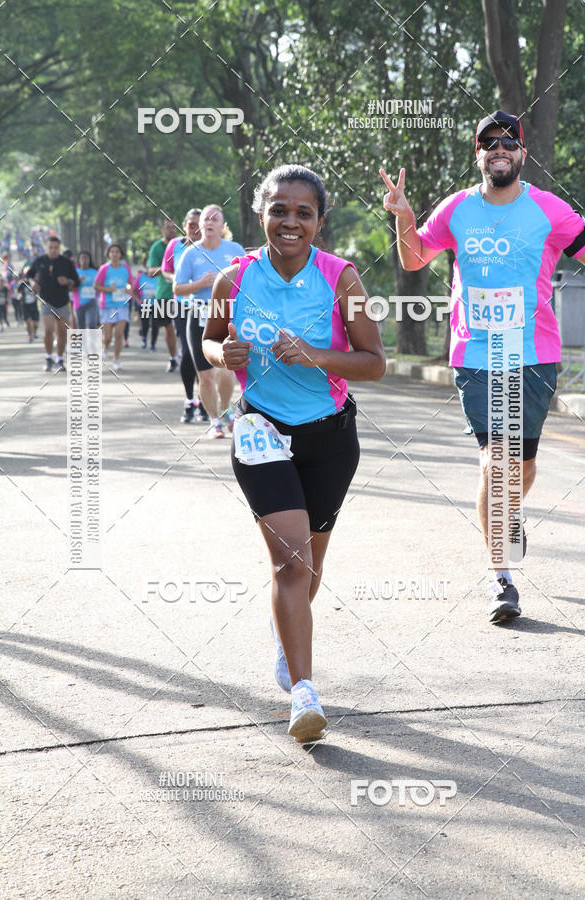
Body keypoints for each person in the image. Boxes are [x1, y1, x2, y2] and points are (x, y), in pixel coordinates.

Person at [381, 110, 585, 624]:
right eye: (488, 142)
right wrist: (402, 214)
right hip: (477, 354)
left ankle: (508, 517)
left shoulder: (549, 210)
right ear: (477, 153)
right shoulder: (456, 209)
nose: (499, 149)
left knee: (520, 467)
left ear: (522, 153)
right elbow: (414, 258)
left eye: (508, 141)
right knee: (495, 463)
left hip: (534, 354)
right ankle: (502, 575)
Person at [203, 165, 386, 743]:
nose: (290, 221)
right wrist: (220, 353)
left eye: (303, 212)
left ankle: (289, 639)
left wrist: (314, 354)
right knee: (293, 563)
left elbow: (374, 363)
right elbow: (208, 339)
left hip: (330, 436)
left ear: (319, 222)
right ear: (261, 214)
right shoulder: (233, 279)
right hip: (259, 431)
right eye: (279, 209)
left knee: (313, 561)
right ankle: (304, 695)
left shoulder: (342, 279)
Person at [175, 205, 245, 437]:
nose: (210, 222)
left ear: (221, 225)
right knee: (205, 376)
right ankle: (214, 420)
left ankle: (225, 410)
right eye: (206, 218)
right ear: (201, 224)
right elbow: (177, 288)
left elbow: (249, 280)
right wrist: (200, 284)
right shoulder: (191, 253)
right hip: (198, 314)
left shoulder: (234, 250)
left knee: (226, 370)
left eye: (216, 219)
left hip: (227, 314)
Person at [162, 208, 209, 424]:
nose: (196, 229)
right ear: (185, 226)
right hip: (181, 304)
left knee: (205, 354)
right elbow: (166, 269)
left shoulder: (210, 246)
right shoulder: (175, 246)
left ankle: (205, 401)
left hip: (205, 306)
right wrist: (178, 279)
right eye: (191, 225)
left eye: (200, 225)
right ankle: (190, 400)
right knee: (189, 352)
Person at [26, 235, 79, 372]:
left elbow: (76, 281)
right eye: (51, 248)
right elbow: (29, 275)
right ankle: (49, 357)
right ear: (46, 248)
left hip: (62, 302)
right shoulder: (40, 261)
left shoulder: (66, 262)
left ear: (59, 248)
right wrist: (33, 283)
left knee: (62, 332)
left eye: (56, 248)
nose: (53, 250)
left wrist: (67, 281)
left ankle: (60, 359)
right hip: (46, 301)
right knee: (48, 329)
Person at [146, 218, 179, 370]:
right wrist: (166, 268)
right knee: (169, 327)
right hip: (164, 294)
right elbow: (151, 271)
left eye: (173, 228)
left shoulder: (182, 244)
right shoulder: (157, 247)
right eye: (168, 228)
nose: (171, 230)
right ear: (162, 230)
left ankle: (184, 354)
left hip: (183, 294)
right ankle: (173, 357)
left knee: (181, 328)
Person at [94, 244, 132, 370]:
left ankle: (116, 359)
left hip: (122, 305)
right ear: (108, 254)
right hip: (107, 305)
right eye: (112, 252)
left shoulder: (126, 268)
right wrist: (108, 289)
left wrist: (128, 288)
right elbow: (96, 286)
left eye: (117, 252)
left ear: (121, 254)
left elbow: (130, 284)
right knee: (108, 336)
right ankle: (105, 347)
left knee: (119, 334)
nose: (114, 254)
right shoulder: (104, 269)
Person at [74, 251, 100, 329]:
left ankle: (94, 341)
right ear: (79, 260)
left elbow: (100, 285)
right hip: (78, 302)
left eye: (86, 258)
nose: (84, 260)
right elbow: (70, 287)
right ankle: (82, 341)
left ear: (90, 260)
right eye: (82, 258)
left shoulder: (95, 272)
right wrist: (78, 281)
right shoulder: (75, 272)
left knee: (92, 323)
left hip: (92, 301)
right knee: (80, 327)